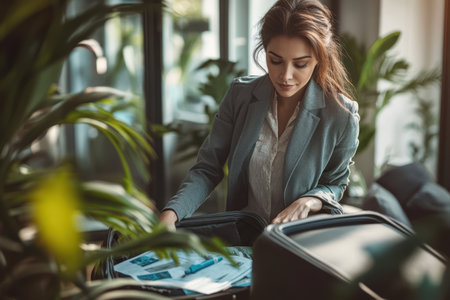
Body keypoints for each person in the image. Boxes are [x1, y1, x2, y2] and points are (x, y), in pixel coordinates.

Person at [160, 0, 359, 229]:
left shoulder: (341, 115)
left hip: (297, 243)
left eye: (300, 64)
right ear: (264, 51)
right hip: (240, 239)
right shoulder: (240, 95)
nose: (285, 76)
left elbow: (335, 183)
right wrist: (170, 214)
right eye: (275, 61)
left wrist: (311, 199)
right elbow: (208, 169)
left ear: (319, 59)